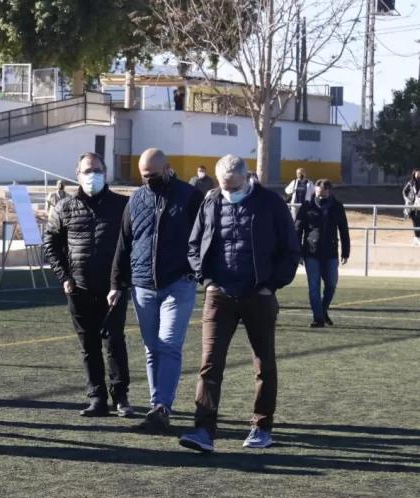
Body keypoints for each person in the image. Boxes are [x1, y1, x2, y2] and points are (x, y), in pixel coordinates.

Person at [179, 154, 299, 453]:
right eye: (224, 186)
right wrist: (207, 280)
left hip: (259, 295)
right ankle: (203, 430)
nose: (229, 191)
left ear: (247, 178)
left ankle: (261, 427)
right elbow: (193, 245)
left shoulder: (271, 203)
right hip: (219, 295)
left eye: (234, 186)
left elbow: (290, 249)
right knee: (210, 364)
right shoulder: (210, 202)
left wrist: (271, 286)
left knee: (263, 363)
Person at [108, 148, 203, 434]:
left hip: (179, 283)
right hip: (143, 285)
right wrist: (116, 283)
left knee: (169, 344)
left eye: (152, 175)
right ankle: (156, 406)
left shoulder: (190, 196)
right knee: (152, 348)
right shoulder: (136, 199)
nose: (148, 180)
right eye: (144, 176)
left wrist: (199, 271)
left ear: (168, 168)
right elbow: (124, 242)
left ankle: (162, 407)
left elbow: (204, 237)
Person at [43, 152, 133, 418]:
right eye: (87, 171)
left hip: (113, 290)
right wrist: (65, 277)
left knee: (114, 342)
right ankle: (96, 398)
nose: (92, 175)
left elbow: (131, 245)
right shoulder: (64, 207)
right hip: (79, 289)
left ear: (105, 173)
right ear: (77, 175)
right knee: (89, 346)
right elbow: (50, 243)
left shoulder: (122, 205)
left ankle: (121, 397)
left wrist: (121, 282)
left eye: (97, 170)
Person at [296, 179, 350, 327]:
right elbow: (297, 230)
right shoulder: (307, 206)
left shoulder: (337, 207)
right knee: (314, 287)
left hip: (331, 252)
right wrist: (298, 252)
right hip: (311, 252)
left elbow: (343, 230)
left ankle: (322, 310)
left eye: (323, 192)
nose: (320, 194)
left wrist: (345, 252)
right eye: (318, 191)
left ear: (329, 191)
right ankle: (318, 319)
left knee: (331, 285)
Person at [402, 169, 420, 246]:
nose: (418, 175)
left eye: (419, 174)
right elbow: (404, 192)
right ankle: (417, 238)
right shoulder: (410, 183)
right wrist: (407, 200)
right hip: (413, 205)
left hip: (419, 205)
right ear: (414, 174)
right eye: (417, 173)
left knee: (419, 222)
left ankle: (417, 238)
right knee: (415, 222)